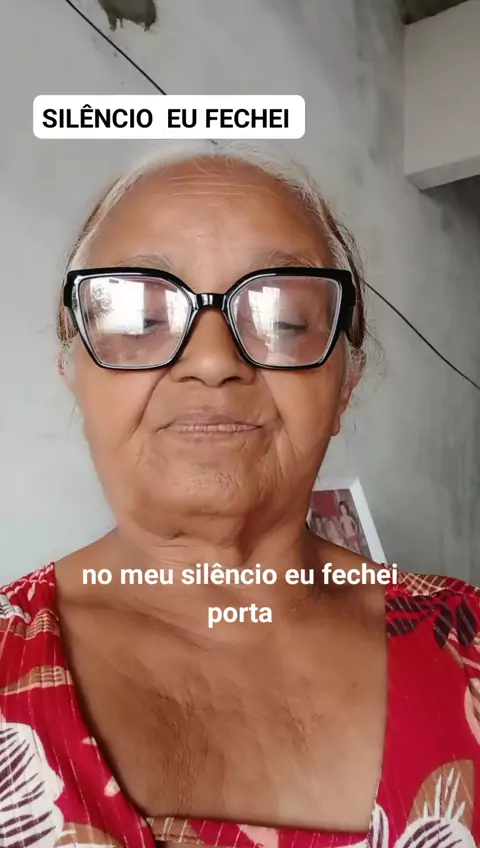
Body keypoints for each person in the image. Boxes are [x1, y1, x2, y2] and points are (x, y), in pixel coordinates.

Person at [1, 141, 479, 848]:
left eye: (283, 320)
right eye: (139, 320)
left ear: (346, 383)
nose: (213, 360)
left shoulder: (468, 645)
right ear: (72, 370)